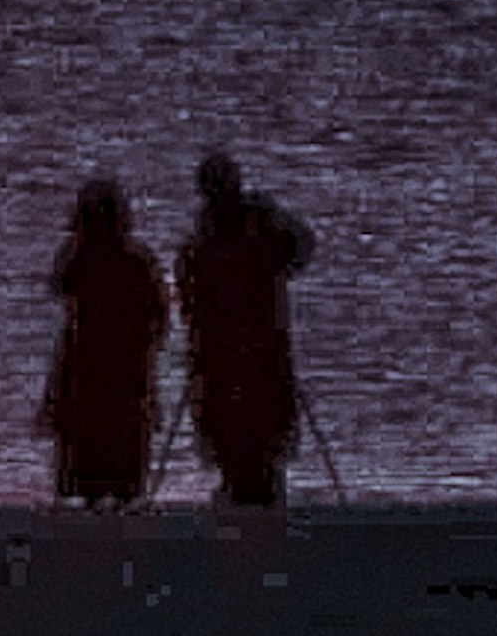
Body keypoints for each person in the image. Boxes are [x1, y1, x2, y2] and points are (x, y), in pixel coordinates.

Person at [177, 148, 313, 507]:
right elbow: (300, 250)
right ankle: (254, 502)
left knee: (245, 437)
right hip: (248, 358)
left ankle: (248, 501)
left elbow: (189, 296)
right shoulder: (245, 234)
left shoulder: (210, 241)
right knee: (251, 438)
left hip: (241, 359)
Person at [38, 176, 170, 506]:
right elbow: (159, 315)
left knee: (106, 435)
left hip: (99, 363)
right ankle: (109, 494)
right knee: (107, 436)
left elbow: (157, 315)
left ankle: (105, 495)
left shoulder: (90, 259)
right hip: (104, 363)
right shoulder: (130, 260)